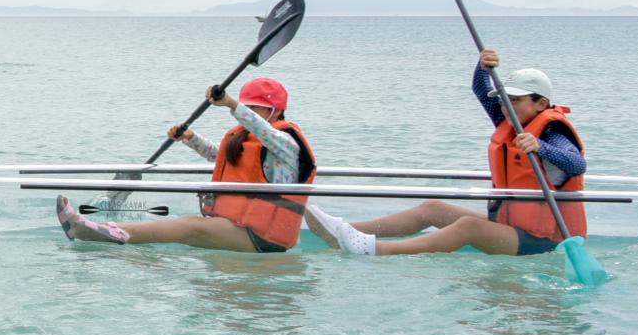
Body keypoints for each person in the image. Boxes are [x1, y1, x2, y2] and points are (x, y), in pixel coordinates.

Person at [320, 49, 587, 257]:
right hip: (512, 225)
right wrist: (482, 67)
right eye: (504, 99)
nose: (505, 106)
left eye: (515, 100)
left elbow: (576, 164)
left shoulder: (553, 132)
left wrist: (542, 147)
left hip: (547, 240)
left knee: (468, 227)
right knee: (432, 208)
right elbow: (481, 91)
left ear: (541, 103)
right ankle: (346, 232)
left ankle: (378, 251)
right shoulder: (513, 121)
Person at [55, 78, 320, 252]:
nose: (250, 113)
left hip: (264, 237)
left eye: (257, 108)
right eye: (248, 106)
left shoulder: (286, 143)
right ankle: (110, 244)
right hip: (236, 225)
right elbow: (220, 157)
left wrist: (231, 104)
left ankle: (95, 232)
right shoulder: (246, 139)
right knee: (179, 238)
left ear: (275, 111)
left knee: (189, 226)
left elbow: (265, 132)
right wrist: (189, 139)